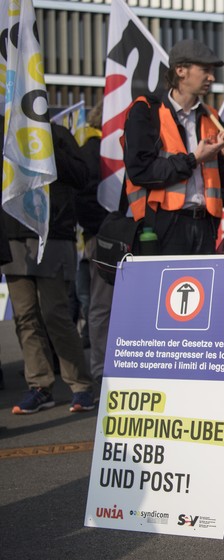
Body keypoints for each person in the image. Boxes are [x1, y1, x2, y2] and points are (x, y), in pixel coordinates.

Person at [6, 124, 96, 414]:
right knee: (25, 315)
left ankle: (80, 385)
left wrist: (48, 147)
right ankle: (39, 386)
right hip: (11, 234)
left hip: (52, 231)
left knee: (55, 313)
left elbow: (82, 176)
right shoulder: (6, 130)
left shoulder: (56, 133)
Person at [123, 39, 224, 255]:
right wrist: (193, 159)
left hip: (205, 225)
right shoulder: (146, 110)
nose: (212, 77)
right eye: (205, 70)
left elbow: (222, 182)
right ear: (181, 70)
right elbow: (140, 171)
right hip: (162, 225)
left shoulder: (212, 116)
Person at [78, 103, 112, 387]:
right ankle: (101, 369)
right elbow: (86, 195)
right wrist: (101, 229)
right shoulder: (94, 148)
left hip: (120, 233)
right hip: (101, 237)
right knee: (101, 305)